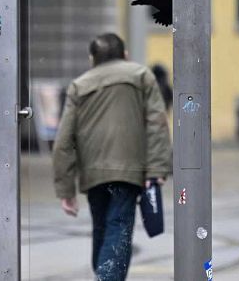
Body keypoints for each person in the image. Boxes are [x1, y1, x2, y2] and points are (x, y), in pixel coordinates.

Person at [53, 33, 172, 281]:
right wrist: (156, 170)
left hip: (93, 172)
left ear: (91, 59)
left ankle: (105, 276)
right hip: (128, 170)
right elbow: (157, 124)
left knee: (102, 228)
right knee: (118, 227)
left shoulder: (79, 85)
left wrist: (66, 189)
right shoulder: (141, 76)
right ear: (125, 54)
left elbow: (64, 140)